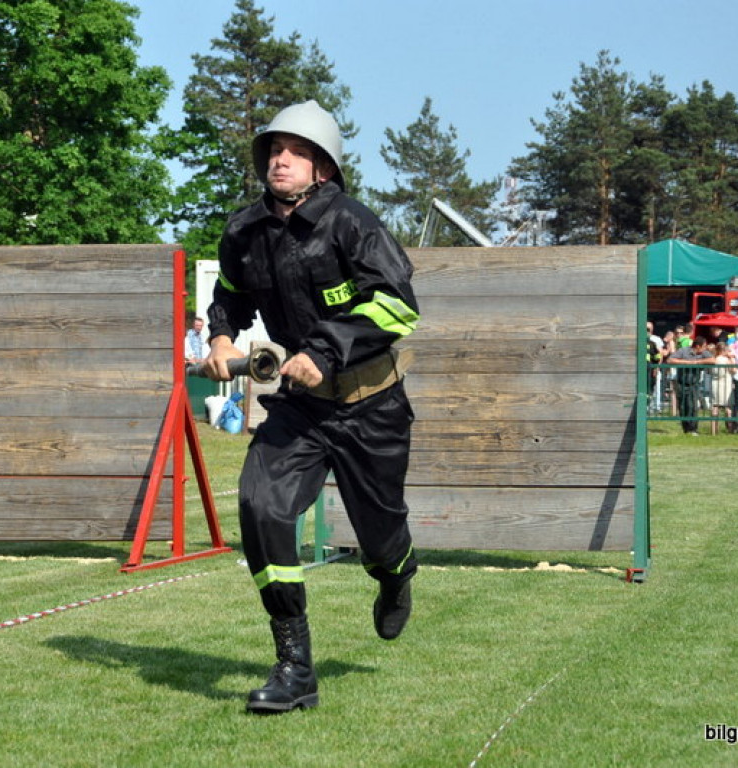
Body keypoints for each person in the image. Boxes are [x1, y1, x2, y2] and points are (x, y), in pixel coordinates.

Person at [202, 100, 420, 714]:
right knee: (259, 503)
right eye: (274, 150)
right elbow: (231, 295)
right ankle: (295, 666)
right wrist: (221, 336)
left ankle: (396, 572)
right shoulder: (245, 230)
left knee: (379, 538)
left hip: (371, 407)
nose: (281, 160)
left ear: (323, 166)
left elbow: (399, 308)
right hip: (299, 408)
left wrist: (326, 349)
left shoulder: (355, 224)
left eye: (295, 152)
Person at [668, 337, 715, 435]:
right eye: (704, 346)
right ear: (698, 346)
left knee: (692, 406)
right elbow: (670, 360)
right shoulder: (683, 351)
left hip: (694, 384)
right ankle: (686, 429)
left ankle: (693, 429)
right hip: (681, 383)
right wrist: (687, 363)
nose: (705, 349)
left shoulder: (703, 353)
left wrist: (697, 362)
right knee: (682, 407)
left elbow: (712, 360)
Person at [710, 342, 735, 435]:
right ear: (724, 351)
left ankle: (713, 431)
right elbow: (734, 370)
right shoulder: (726, 360)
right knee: (728, 408)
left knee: (715, 407)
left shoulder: (713, 359)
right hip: (726, 384)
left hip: (715, 384)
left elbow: (708, 371)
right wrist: (732, 359)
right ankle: (730, 430)